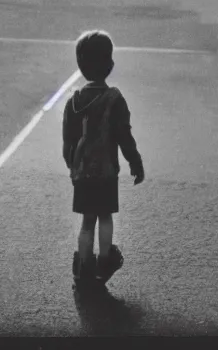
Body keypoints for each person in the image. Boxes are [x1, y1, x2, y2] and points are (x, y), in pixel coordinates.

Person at [62, 30, 145, 286]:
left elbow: (68, 141)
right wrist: (135, 161)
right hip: (106, 172)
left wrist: (73, 167)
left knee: (87, 220)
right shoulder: (115, 99)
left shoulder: (74, 102)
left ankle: (83, 267)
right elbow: (124, 136)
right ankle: (105, 260)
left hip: (83, 172)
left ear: (81, 66)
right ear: (110, 64)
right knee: (105, 216)